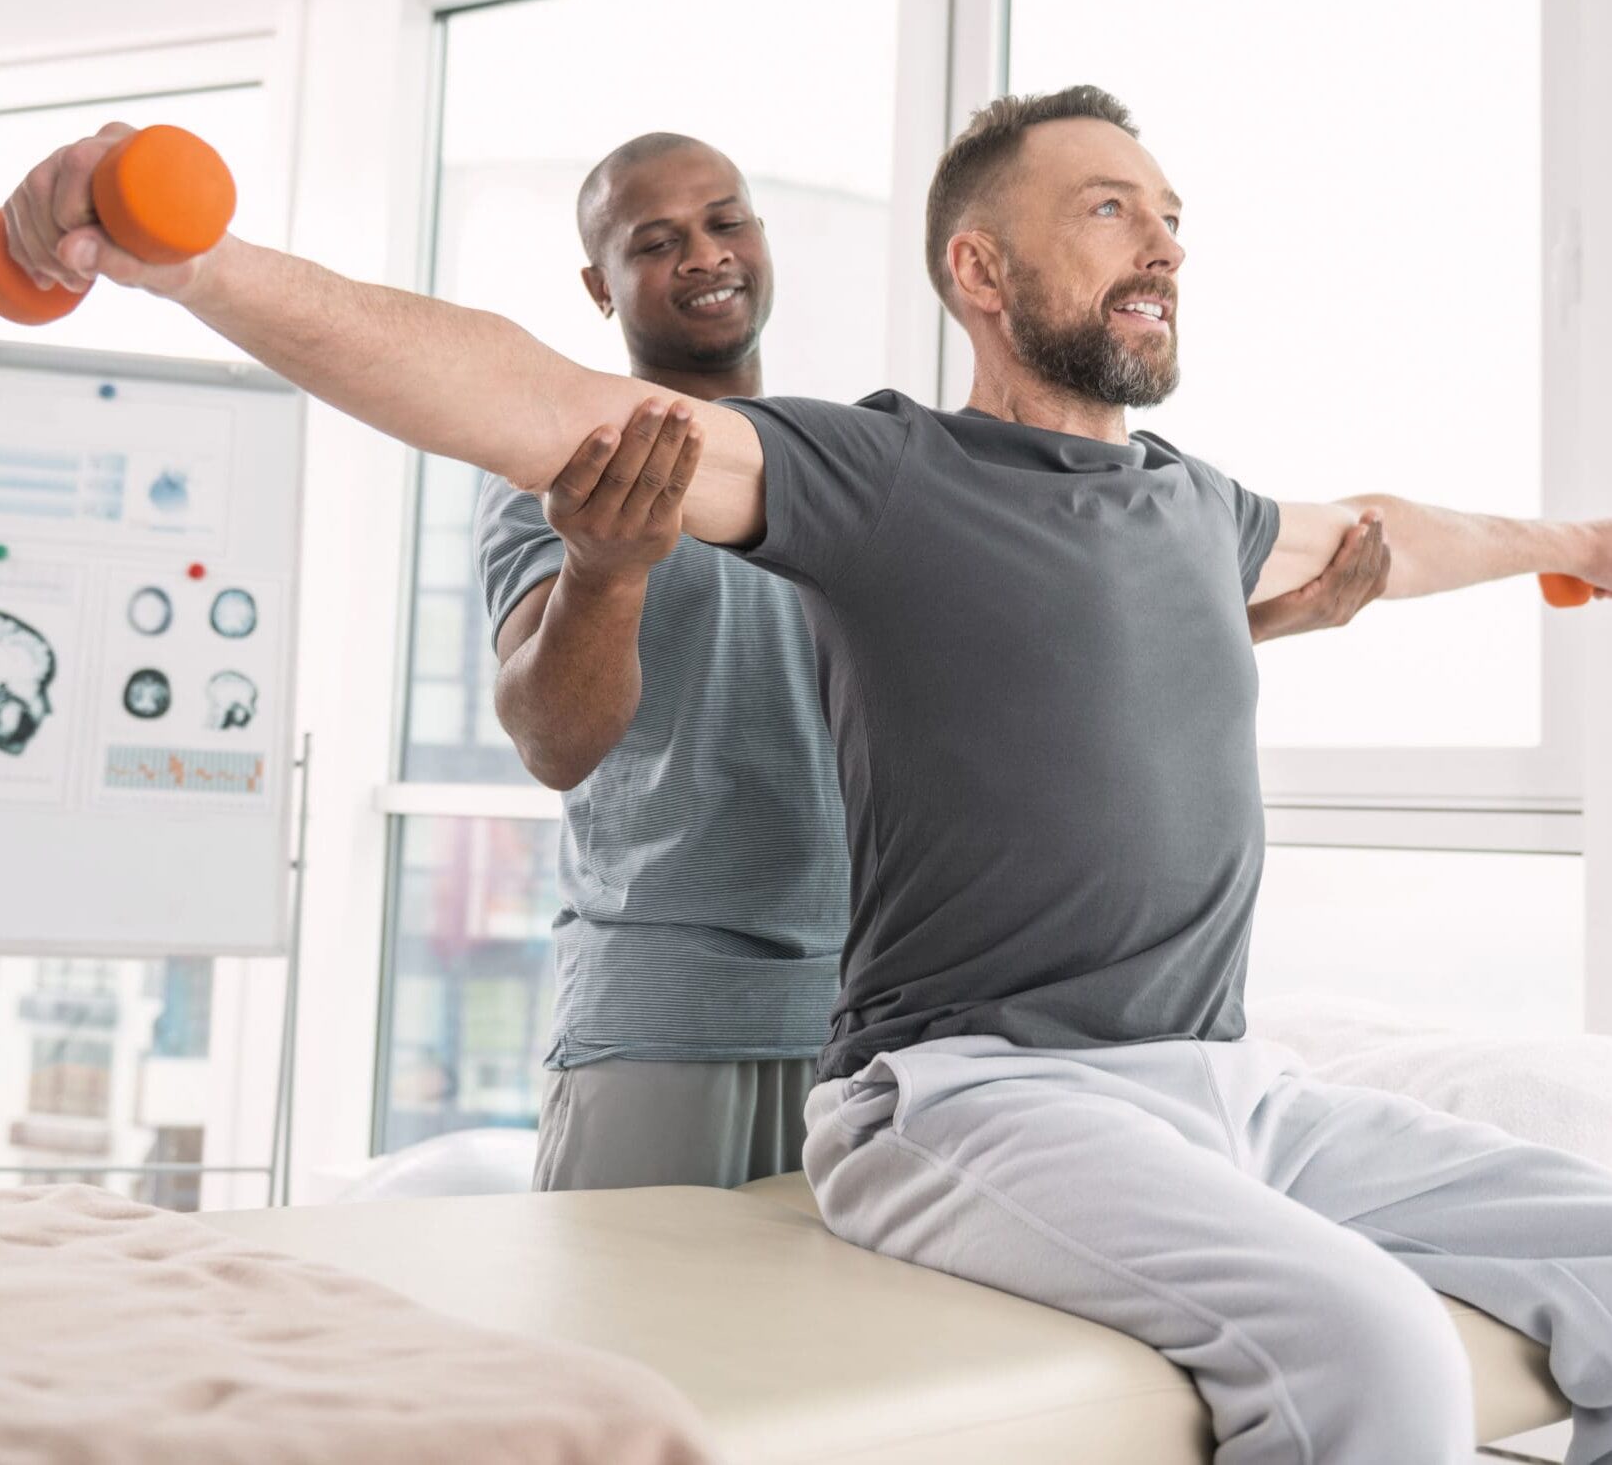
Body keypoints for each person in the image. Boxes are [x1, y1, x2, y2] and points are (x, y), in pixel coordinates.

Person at [0, 90, 1612, 1463]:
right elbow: (517, 397)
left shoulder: (1196, 511)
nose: (1162, 241)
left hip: (1216, 1081)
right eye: (1109, 207)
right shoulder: (879, 468)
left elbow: (1388, 534)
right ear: (976, 269)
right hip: (963, 1080)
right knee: (1375, 1350)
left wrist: (1568, 546)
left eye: (1169, 212)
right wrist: (187, 255)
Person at [476, 131, 1390, 1191]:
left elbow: (1005, 679)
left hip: (888, 1032)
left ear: (761, 240)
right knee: (631, 1347)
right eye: (655, 240)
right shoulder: (558, 473)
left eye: (725, 222)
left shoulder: (853, 466)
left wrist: (1255, 624)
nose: (703, 254)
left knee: (862, 1359)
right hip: (669, 1016)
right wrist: (603, 568)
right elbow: (553, 737)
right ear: (600, 285)